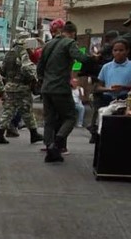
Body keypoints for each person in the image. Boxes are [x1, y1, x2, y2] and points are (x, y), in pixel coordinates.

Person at [37, 21, 95, 162]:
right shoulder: (69, 43)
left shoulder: (48, 45)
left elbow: (39, 68)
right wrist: (94, 58)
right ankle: (57, 143)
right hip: (60, 88)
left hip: (46, 88)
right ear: (73, 33)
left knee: (49, 119)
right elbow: (81, 59)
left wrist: (43, 82)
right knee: (70, 117)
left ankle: (49, 146)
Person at [0, 31, 44, 145]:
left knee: (8, 111)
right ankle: (34, 134)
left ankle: (0, 134)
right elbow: (27, 68)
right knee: (27, 111)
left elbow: (2, 70)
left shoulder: (9, 53)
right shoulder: (23, 51)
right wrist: (36, 78)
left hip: (9, 86)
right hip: (22, 87)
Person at [95, 39, 131, 103]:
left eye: (121, 50)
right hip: (108, 98)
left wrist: (123, 87)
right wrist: (109, 89)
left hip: (126, 98)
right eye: (115, 50)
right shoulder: (106, 67)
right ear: (112, 52)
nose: (118, 52)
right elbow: (98, 87)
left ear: (127, 51)